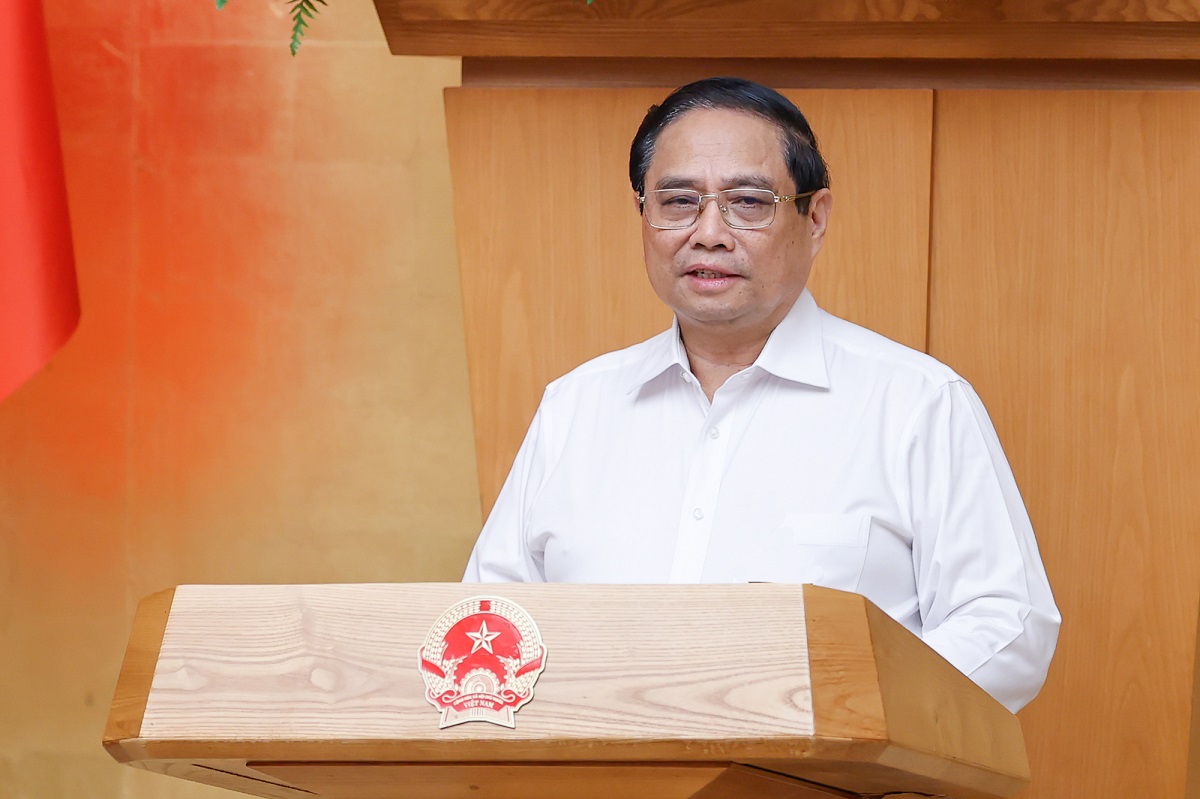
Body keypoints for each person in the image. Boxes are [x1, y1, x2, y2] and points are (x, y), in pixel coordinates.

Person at [463, 77, 1060, 713]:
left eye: (748, 202)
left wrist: (829, 707)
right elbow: (485, 622)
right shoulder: (574, 408)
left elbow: (1006, 626)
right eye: (679, 202)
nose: (709, 233)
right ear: (643, 213)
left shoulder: (916, 402)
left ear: (815, 217)